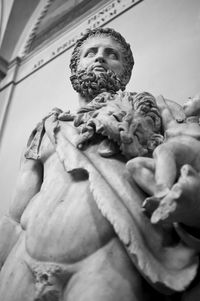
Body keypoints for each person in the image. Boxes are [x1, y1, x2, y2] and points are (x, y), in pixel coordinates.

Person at [0, 27, 199, 301]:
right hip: (21, 263)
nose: (100, 58)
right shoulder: (47, 128)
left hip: (104, 262)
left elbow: (188, 153)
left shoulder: (149, 109)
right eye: (90, 53)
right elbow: (16, 214)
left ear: (125, 73)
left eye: (111, 54)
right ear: (76, 67)